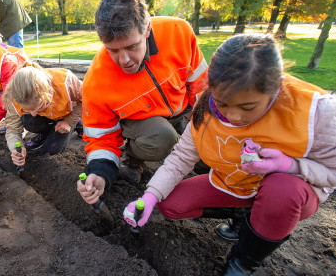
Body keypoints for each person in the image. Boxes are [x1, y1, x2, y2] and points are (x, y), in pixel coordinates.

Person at [123, 33, 336, 275]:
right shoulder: (205, 107)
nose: (233, 116)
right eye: (223, 103)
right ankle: (245, 216)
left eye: (248, 108)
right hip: (236, 183)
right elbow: (181, 158)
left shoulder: (317, 112)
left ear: (275, 89)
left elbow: (332, 173)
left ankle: (243, 262)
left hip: (291, 193)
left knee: (282, 190)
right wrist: (150, 197)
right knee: (170, 204)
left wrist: (288, 165)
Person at [76, 0, 208, 204]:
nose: (124, 60)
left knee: (210, 148)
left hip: (183, 109)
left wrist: (203, 124)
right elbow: (101, 139)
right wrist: (99, 173)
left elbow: (201, 84)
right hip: (142, 122)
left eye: (131, 46)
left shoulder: (178, 31)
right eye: (113, 50)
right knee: (163, 138)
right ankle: (134, 158)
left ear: (147, 29)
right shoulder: (97, 81)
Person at [2, 63, 82, 166]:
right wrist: (15, 148)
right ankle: (46, 132)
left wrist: (68, 121)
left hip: (66, 114)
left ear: (46, 94)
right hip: (47, 116)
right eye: (27, 110)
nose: (33, 114)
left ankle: (78, 123)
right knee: (30, 121)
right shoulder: (15, 96)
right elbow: (12, 129)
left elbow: (86, 100)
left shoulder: (65, 82)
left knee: (51, 151)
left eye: (38, 107)